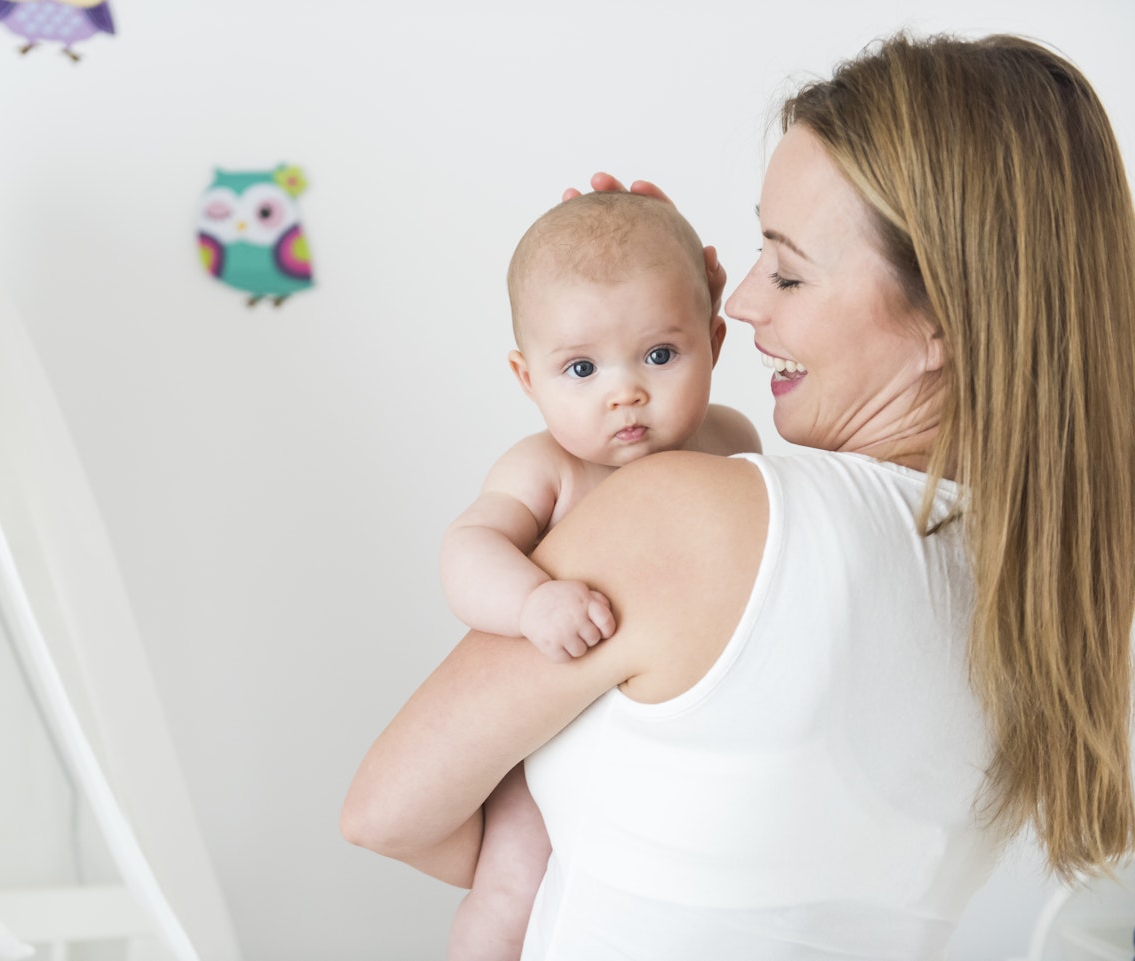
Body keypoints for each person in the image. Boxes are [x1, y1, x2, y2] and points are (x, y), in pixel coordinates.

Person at [342, 32, 1135, 960]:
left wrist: (526, 870)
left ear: (942, 323)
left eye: (788, 271)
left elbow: (385, 811)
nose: (746, 304)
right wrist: (658, 313)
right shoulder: (1053, 584)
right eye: (749, 260)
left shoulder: (690, 515)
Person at [440, 193, 760, 960]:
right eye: (581, 368)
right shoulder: (546, 469)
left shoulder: (731, 440)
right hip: (551, 727)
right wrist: (531, 603)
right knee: (514, 881)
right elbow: (466, 549)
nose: (626, 393)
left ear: (714, 341)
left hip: (666, 730)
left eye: (660, 354)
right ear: (527, 378)